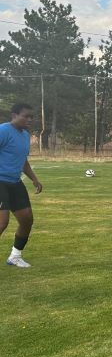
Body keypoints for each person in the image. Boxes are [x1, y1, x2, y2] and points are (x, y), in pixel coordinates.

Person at [1, 103, 43, 269]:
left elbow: (23, 161)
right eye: (26, 116)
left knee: (27, 220)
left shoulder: (25, 135)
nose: (29, 119)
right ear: (14, 115)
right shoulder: (3, 131)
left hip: (15, 182)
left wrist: (34, 179)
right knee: (2, 222)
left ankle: (15, 256)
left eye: (31, 117)